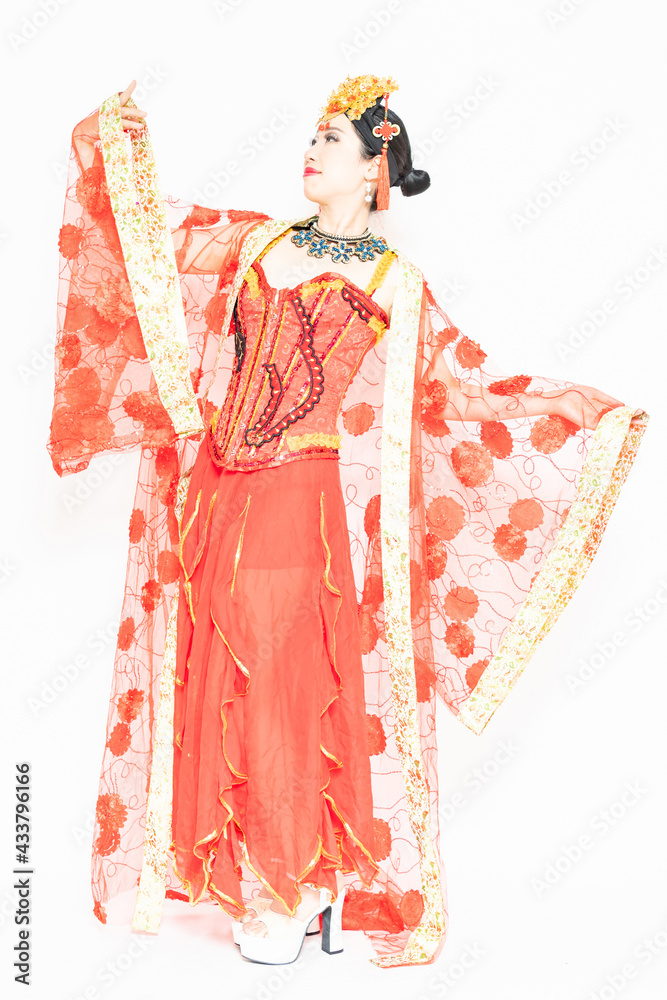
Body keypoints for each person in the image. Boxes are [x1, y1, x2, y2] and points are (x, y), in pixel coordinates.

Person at [48, 73, 648, 969]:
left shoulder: (395, 284)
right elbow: (150, 252)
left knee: (285, 679)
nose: (312, 149)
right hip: (217, 493)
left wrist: (571, 415)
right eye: (313, 135)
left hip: (305, 501)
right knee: (221, 672)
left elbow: (459, 394)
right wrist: (118, 151)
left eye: (332, 139)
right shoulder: (255, 242)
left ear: (374, 168)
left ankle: (290, 887)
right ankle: (268, 877)